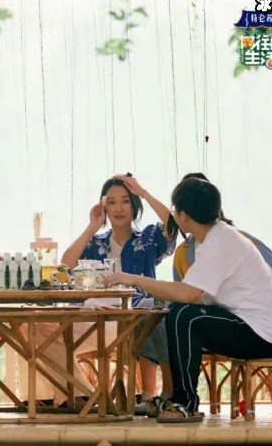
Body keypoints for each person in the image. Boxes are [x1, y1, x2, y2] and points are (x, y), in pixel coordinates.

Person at [105, 177, 272, 422]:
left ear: (184, 216)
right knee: (172, 311)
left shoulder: (220, 242)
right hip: (247, 323)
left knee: (183, 315)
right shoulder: (213, 237)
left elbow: (188, 293)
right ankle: (173, 395)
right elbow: (192, 293)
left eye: (175, 209)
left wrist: (133, 279)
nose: (173, 214)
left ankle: (185, 403)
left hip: (259, 333)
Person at [61, 174, 176, 412]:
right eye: (111, 202)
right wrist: (92, 226)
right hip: (100, 316)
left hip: (137, 315)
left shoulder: (148, 238)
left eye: (125, 201)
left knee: (150, 316)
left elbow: (173, 227)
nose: (119, 208)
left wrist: (143, 192)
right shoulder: (96, 242)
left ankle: (149, 394)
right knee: (55, 328)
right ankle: (89, 394)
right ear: (104, 206)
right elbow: (66, 265)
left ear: (134, 205)